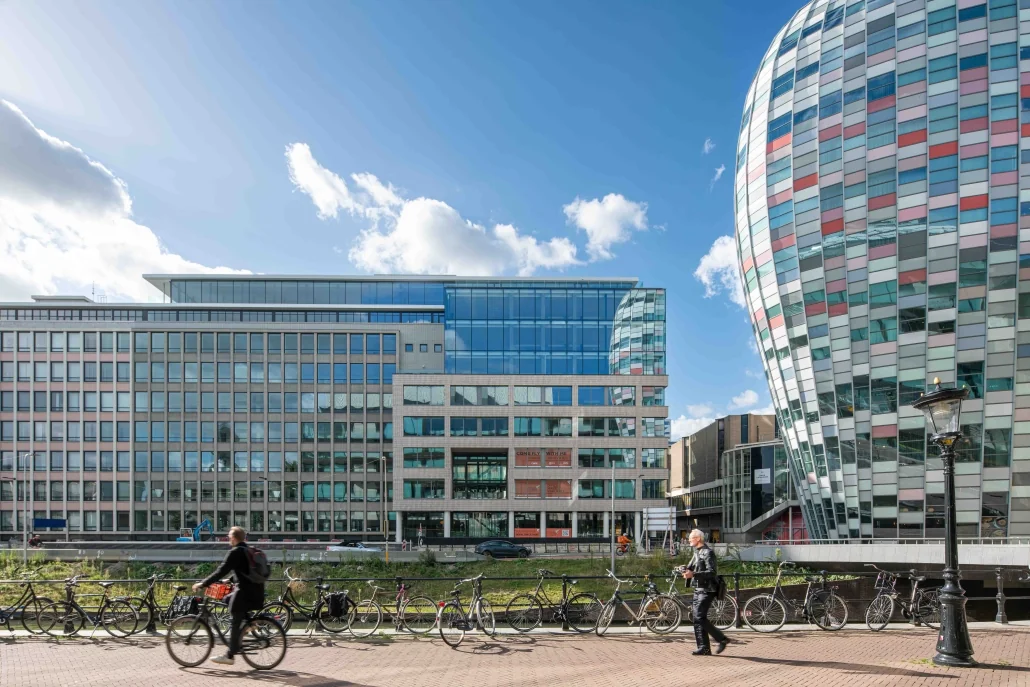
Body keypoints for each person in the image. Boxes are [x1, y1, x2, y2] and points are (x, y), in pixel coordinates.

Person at [193, 526, 265, 665]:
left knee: (234, 617)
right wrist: (230, 580)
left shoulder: (235, 552)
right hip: (255, 590)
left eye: (229, 536)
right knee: (228, 600)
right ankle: (249, 623)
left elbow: (221, 570)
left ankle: (230, 655)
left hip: (244, 592)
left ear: (234, 538)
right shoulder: (247, 549)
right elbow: (244, 570)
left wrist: (203, 583)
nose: (228, 538)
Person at [682, 529, 730, 656]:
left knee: (699, 617)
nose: (689, 540)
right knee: (697, 618)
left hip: (708, 589)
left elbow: (712, 572)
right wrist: (683, 570)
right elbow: (690, 568)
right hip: (698, 589)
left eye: (691, 538)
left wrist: (693, 574)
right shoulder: (697, 552)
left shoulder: (708, 553)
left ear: (698, 539)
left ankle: (722, 639)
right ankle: (704, 648)